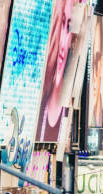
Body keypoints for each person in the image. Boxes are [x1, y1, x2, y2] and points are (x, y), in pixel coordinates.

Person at [36, 0, 73, 141]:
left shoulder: (70, 103)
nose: (64, 38)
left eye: (69, 26)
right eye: (62, 23)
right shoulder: (36, 90)